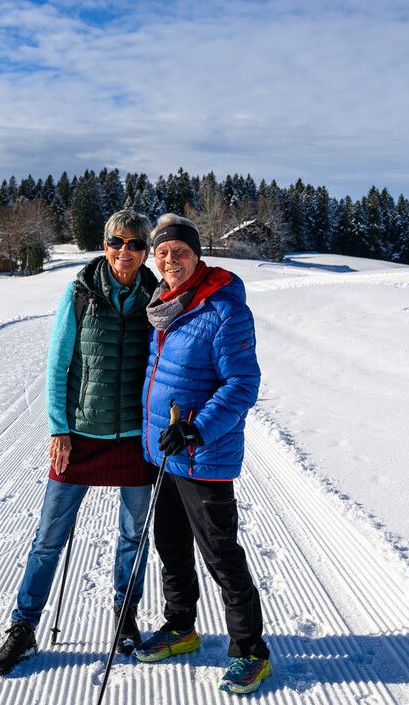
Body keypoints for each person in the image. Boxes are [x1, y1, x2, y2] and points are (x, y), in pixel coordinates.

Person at [0, 209, 160, 676]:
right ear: (104, 245)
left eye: (136, 244)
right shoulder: (79, 293)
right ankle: (23, 627)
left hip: (135, 439)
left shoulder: (157, 296)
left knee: (133, 537)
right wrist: (58, 428)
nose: (125, 251)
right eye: (116, 242)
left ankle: (125, 618)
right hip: (80, 436)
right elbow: (57, 364)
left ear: (146, 251)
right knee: (49, 538)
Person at [133, 213, 272, 695]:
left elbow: (242, 385)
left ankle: (250, 651)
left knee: (220, 554)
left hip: (200, 456)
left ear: (198, 256)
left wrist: (196, 430)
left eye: (180, 251)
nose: (170, 259)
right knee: (170, 545)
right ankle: (181, 627)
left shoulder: (223, 308)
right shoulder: (164, 304)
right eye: (163, 252)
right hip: (162, 453)